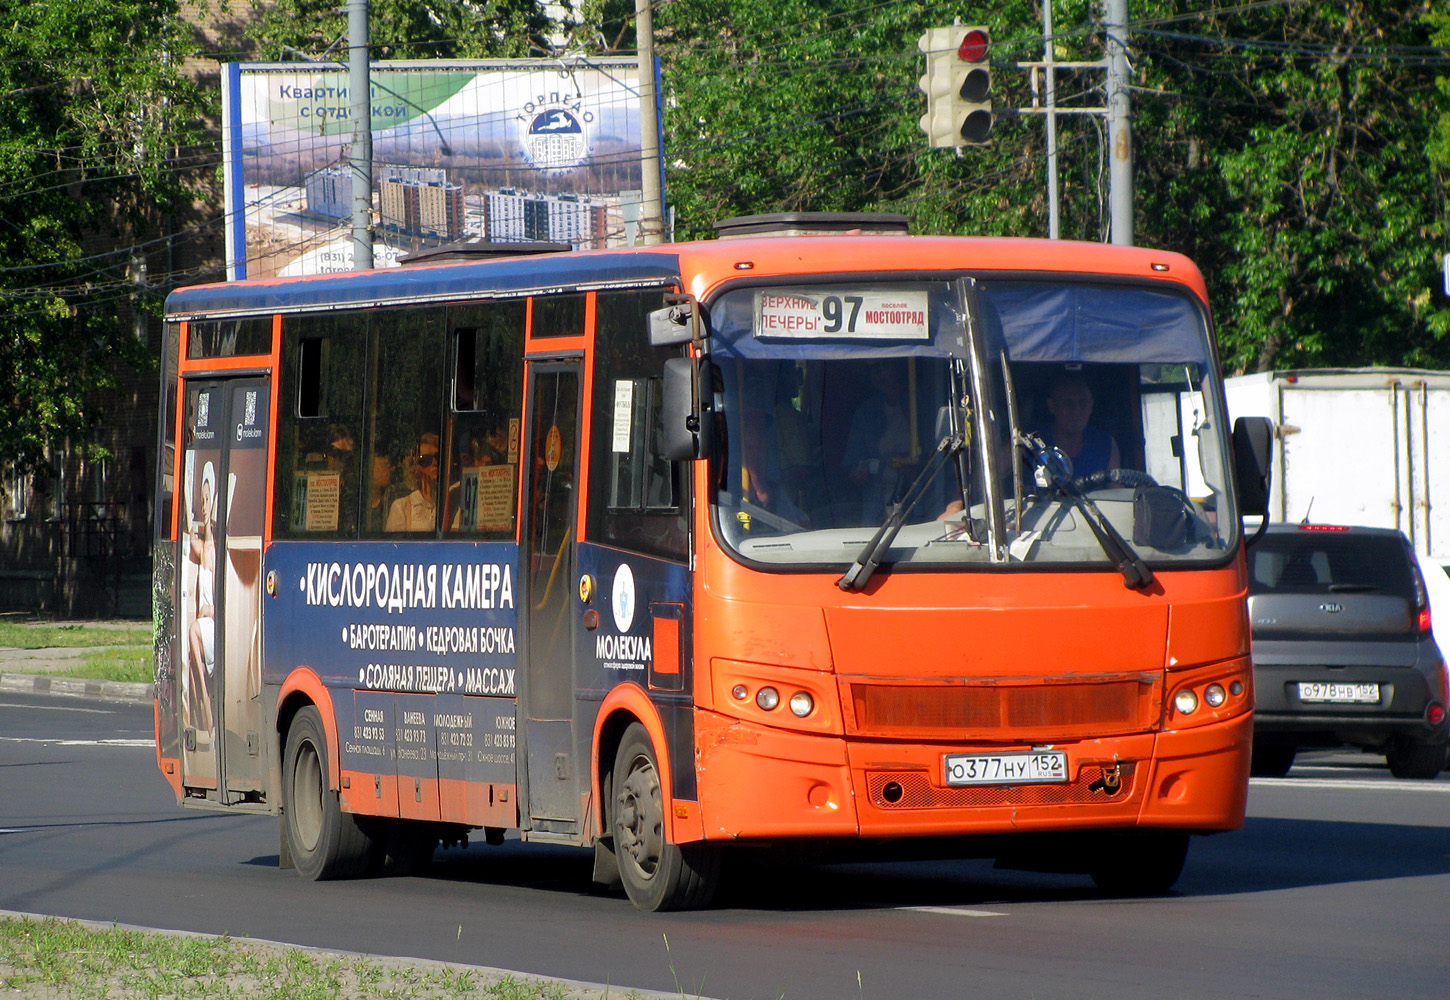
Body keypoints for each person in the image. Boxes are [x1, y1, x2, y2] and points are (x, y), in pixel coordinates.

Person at [842, 362, 915, 523]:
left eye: (883, 367)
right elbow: (853, 464)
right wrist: (860, 472)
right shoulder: (866, 413)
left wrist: (913, 467)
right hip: (876, 511)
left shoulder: (922, 405)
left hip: (919, 506)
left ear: (899, 368)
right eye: (873, 370)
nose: (878, 375)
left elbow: (939, 457)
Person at [186, 461, 217, 734]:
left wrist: (207, 610)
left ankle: (208, 707)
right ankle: (202, 703)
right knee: (193, 630)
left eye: (208, 500)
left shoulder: (216, 550)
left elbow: (222, 606)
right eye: (202, 501)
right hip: (206, 623)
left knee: (195, 629)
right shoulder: (204, 547)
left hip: (214, 625)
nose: (204, 507)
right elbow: (189, 535)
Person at [1042, 376, 1120, 480]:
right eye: (1067, 403)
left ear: (1091, 406)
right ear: (1052, 406)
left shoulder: (1105, 443)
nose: (1076, 410)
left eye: (1083, 402)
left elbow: (1115, 486)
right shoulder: (1033, 445)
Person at [385, 432, 440, 532]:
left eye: (438, 457)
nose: (435, 462)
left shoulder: (450, 502)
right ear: (415, 466)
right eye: (426, 460)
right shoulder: (401, 507)